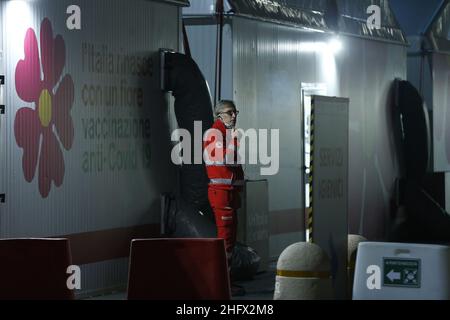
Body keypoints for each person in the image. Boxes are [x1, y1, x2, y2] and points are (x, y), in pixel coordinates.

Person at [203, 100, 245, 296]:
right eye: (230, 112)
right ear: (219, 115)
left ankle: (226, 283)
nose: (234, 115)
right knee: (225, 241)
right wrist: (236, 141)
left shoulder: (223, 134)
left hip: (228, 195)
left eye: (235, 112)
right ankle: (221, 285)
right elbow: (227, 160)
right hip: (221, 195)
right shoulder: (214, 133)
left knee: (230, 241)